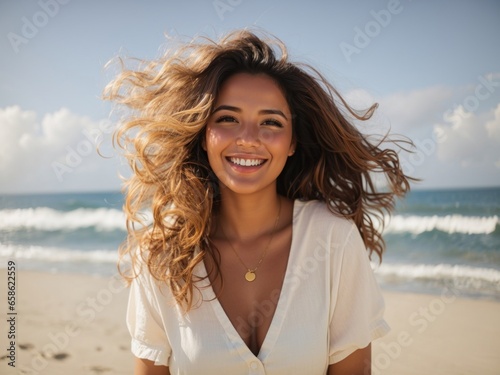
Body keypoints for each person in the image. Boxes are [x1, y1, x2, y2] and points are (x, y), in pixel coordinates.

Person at [104, 29, 412, 375]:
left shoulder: (332, 240)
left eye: (270, 122)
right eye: (227, 119)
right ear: (203, 135)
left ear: (293, 141)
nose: (248, 139)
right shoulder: (161, 255)